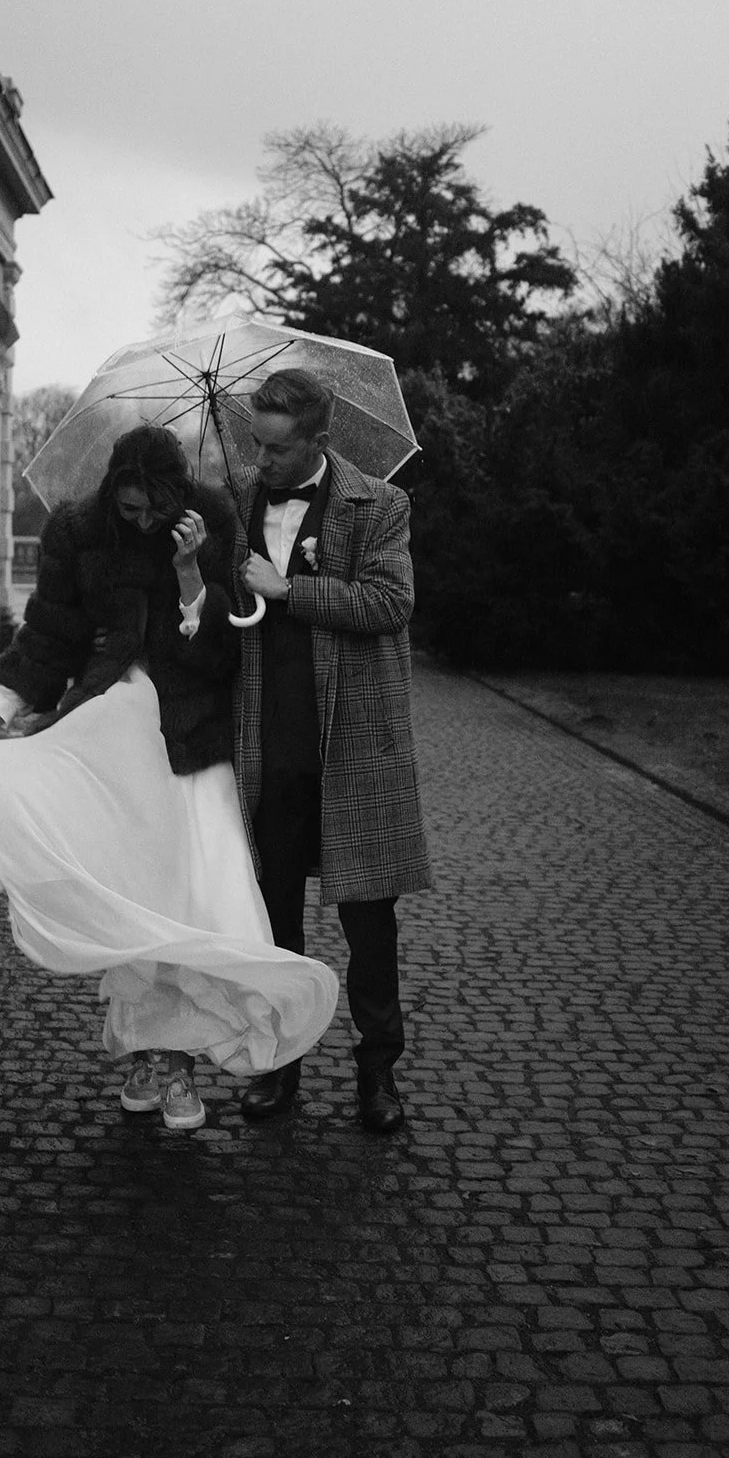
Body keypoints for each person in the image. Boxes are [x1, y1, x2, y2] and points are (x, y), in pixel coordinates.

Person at [0, 424, 338, 1132]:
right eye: (130, 509)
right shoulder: (76, 532)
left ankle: (179, 1066)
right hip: (110, 729)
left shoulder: (214, 518)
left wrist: (190, 574)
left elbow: (224, 655)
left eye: (157, 508)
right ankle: (147, 1058)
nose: (145, 521)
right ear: (110, 493)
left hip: (193, 741)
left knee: (191, 902)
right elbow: (48, 635)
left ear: (179, 495)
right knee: (131, 897)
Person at [227, 367, 431, 1132]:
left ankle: (378, 1071)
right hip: (265, 741)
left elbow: (390, 602)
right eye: (255, 444)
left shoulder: (379, 503)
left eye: (276, 448)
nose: (261, 461)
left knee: (368, 923)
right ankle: (279, 1064)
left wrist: (288, 590)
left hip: (352, 743)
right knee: (272, 916)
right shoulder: (236, 503)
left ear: (318, 439)